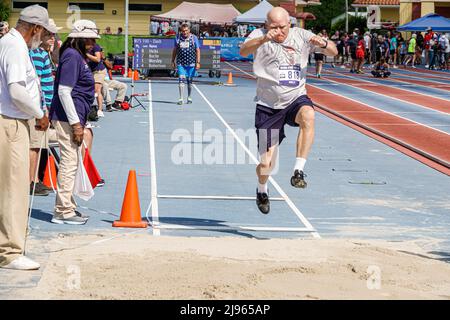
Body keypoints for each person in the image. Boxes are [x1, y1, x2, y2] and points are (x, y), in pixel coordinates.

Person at [239, 7, 337, 214]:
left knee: (309, 115)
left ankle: (298, 171)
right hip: (268, 106)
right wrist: (265, 38)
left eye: (282, 27)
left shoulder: (301, 35)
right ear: (267, 25)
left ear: (289, 24)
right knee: (267, 165)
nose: (278, 31)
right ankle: (262, 189)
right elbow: (243, 50)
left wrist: (324, 44)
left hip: (295, 97)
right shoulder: (259, 35)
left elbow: (334, 51)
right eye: (273, 27)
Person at [0, 4, 53, 270]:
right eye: (43, 35)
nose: (43, 41)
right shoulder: (16, 47)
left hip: (12, 121)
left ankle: (10, 245)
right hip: (11, 122)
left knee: (10, 188)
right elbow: (17, 91)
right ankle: (9, 252)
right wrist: (39, 113)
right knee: (14, 188)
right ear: (35, 29)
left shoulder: (10, 43)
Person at [48, 19, 99, 225]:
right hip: (68, 118)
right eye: (89, 40)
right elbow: (64, 91)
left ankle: (67, 205)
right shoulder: (71, 56)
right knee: (69, 163)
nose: (93, 44)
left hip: (74, 116)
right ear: (79, 38)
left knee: (72, 162)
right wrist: (76, 123)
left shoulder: (75, 56)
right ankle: (62, 210)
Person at [29, 19, 58, 196]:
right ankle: (31, 181)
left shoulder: (43, 53)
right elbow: (40, 84)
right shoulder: (36, 54)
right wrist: (45, 109)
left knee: (38, 145)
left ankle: (36, 179)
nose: (53, 38)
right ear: (41, 33)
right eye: (50, 34)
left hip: (41, 107)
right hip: (38, 108)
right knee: (34, 146)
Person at [171, 23, 201, 105]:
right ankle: (181, 98)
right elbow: (175, 50)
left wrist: (198, 62)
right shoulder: (177, 38)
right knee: (181, 80)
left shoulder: (194, 38)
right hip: (181, 63)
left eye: (186, 30)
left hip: (191, 64)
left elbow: (198, 50)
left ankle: (189, 97)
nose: (185, 32)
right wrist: (172, 61)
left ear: (189, 30)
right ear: (181, 31)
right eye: (183, 31)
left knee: (189, 81)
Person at [86, 40, 106, 117]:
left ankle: (100, 110)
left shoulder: (95, 46)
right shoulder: (82, 47)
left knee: (97, 90)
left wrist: (87, 55)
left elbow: (98, 59)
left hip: (99, 71)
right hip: (90, 71)